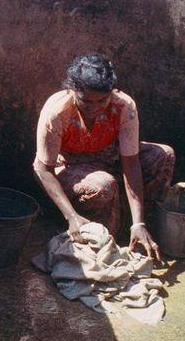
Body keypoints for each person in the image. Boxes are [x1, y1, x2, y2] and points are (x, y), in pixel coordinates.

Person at [32, 54, 175, 260]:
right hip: (69, 165)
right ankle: (96, 235)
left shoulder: (123, 106)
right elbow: (43, 169)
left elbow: (131, 162)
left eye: (102, 100)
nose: (94, 108)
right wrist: (70, 216)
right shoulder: (57, 112)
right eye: (85, 101)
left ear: (112, 92)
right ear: (73, 90)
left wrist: (139, 222)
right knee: (103, 186)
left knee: (164, 156)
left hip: (108, 156)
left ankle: (137, 230)